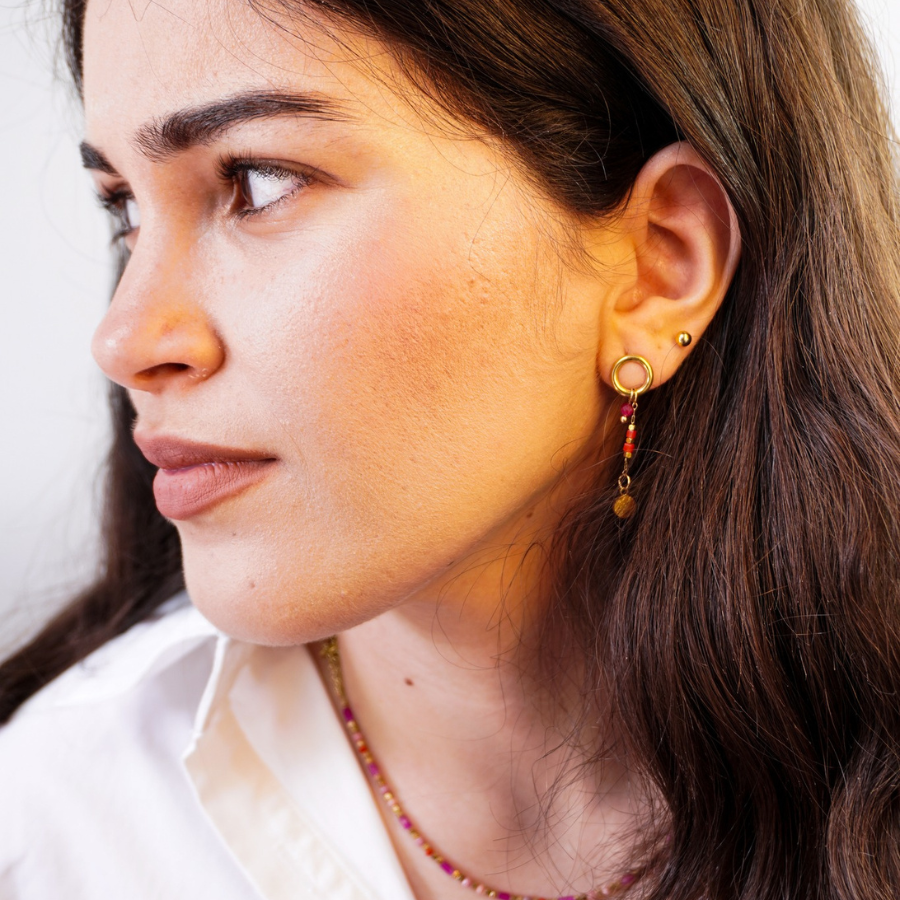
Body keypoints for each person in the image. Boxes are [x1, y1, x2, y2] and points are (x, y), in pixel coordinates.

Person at [2, 0, 900, 898]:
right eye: (123, 208)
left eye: (261, 182)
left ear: (661, 264)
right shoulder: (53, 833)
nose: (123, 339)